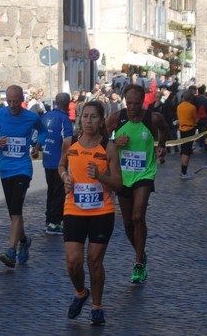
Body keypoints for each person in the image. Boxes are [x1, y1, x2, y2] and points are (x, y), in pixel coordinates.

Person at [58, 101, 122, 326]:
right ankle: (80, 292)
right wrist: (65, 178)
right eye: (85, 116)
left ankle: (97, 306)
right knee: (73, 262)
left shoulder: (109, 147)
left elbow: (118, 184)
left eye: (94, 117)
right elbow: (61, 166)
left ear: (101, 120)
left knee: (94, 261)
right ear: (80, 119)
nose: (88, 121)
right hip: (74, 209)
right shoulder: (70, 142)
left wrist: (101, 176)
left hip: (102, 210)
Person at [105, 84, 168, 283]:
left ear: (143, 102)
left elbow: (164, 130)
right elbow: (102, 140)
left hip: (144, 174)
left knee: (138, 216)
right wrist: (115, 143)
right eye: (128, 103)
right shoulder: (116, 118)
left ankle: (139, 263)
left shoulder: (153, 118)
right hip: (122, 175)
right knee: (127, 223)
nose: (132, 107)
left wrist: (162, 146)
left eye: (136, 103)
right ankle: (141, 253)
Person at [0, 85, 46, 268]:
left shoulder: (31, 117)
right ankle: (24, 240)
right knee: (13, 213)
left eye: (16, 101)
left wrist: (37, 146)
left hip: (23, 168)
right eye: (9, 101)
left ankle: (11, 250)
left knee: (16, 210)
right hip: (6, 168)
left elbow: (43, 132)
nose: (12, 105)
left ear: (22, 100)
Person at [37, 93, 73, 235]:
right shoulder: (64, 119)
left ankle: (49, 220)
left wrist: (37, 148)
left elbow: (37, 135)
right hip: (60, 162)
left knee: (51, 192)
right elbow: (68, 140)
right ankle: (54, 223)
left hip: (47, 160)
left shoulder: (46, 116)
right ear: (68, 103)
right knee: (59, 193)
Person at [177, 90, 198, 179]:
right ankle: (184, 172)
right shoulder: (192, 107)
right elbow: (196, 119)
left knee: (183, 150)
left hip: (182, 128)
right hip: (190, 129)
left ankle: (183, 170)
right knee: (187, 152)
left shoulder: (179, 106)